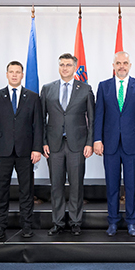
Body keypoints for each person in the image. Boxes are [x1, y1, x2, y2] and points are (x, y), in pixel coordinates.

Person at [94, 51, 135, 237]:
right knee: (112, 185)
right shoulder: (103, 86)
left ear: (130, 65)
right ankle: (113, 221)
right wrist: (97, 139)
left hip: (132, 144)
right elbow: (99, 115)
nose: (122, 66)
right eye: (118, 63)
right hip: (109, 144)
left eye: (125, 63)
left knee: (132, 185)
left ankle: (131, 222)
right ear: (113, 65)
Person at [0, 61, 43, 240]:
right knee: (1, 191)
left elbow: (38, 125)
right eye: (11, 72)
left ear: (22, 75)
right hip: (2, 152)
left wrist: (37, 148)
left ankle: (26, 226)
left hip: (26, 152)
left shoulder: (33, 97)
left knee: (26, 191)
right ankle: (0, 227)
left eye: (18, 72)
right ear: (7, 74)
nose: (14, 75)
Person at [41, 53, 95, 237]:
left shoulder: (85, 89)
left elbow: (92, 120)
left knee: (76, 185)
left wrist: (89, 143)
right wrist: (43, 142)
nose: (65, 68)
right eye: (62, 64)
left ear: (75, 68)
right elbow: (41, 119)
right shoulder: (47, 89)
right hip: (54, 145)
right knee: (56, 186)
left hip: (77, 145)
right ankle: (57, 222)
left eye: (68, 65)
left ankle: (75, 222)